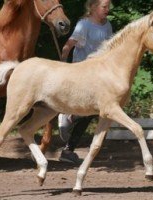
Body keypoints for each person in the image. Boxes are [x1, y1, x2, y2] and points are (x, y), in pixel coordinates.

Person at [58, 0, 113, 164]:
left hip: (99, 75)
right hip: (82, 74)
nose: (107, 10)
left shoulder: (107, 25)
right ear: (94, 7)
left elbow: (109, 49)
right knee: (93, 111)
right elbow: (68, 46)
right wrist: (62, 65)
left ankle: (69, 146)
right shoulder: (84, 25)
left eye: (108, 7)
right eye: (104, 7)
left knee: (93, 113)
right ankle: (69, 121)